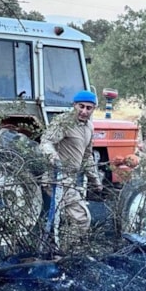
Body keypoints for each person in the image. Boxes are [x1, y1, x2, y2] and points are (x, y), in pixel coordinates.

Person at [38, 90, 104, 249]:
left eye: (89, 108)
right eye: (81, 106)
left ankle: (56, 249)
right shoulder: (64, 122)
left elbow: (87, 156)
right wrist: (53, 158)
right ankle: (63, 252)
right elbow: (46, 141)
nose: (84, 111)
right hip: (56, 178)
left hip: (70, 180)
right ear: (74, 105)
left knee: (62, 220)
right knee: (81, 219)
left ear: (93, 109)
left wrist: (95, 180)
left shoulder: (89, 127)